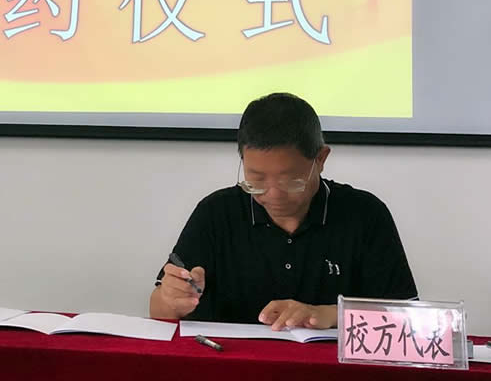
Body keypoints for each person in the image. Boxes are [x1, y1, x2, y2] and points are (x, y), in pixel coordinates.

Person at [149, 92, 417, 330]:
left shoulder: (365, 215)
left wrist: (329, 314)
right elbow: (158, 311)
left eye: (291, 180)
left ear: (320, 159)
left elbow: (407, 319)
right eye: (256, 179)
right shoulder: (216, 213)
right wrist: (172, 299)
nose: (273, 194)